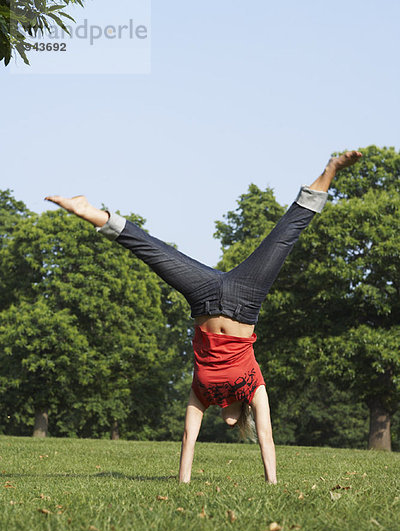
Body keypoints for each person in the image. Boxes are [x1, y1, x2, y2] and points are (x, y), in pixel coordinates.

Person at [46, 151, 362, 484]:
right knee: (284, 235)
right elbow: (266, 436)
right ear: (241, 414)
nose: (228, 421)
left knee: (153, 252)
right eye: (234, 419)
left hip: (206, 297)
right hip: (245, 297)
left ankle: (90, 212)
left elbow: (188, 437)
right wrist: (273, 484)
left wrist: (183, 484)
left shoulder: (203, 392)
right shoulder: (254, 388)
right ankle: (331, 170)